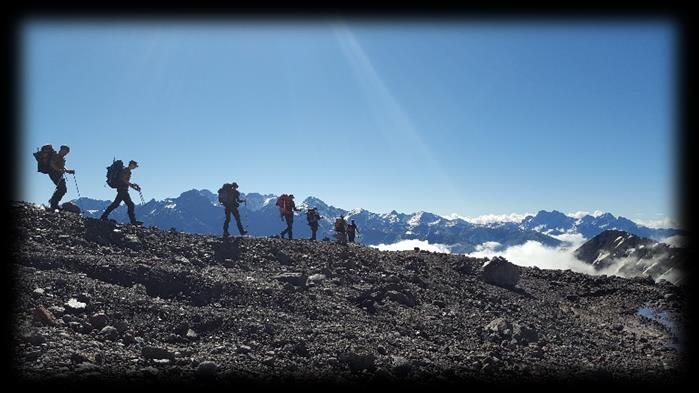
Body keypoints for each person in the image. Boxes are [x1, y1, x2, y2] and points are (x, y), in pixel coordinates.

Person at [100, 160, 142, 225]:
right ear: (131, 164)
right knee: (119, 204)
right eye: (135, 166)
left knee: (127, 204)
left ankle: (133, 221)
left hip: (123, 190)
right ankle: (133, 221)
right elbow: (122, 179)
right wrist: (132, 185)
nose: (135, 167)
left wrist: (134, 187)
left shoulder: (127, 171)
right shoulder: (126, 170)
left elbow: (126, 182)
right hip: (122, 190)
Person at [47, 145, 75, 210]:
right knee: (62, 189)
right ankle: (53, 204)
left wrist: (68, 171)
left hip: (58, 174)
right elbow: (52, 163)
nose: (65, 154)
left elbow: (62, 167)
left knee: (62, 189)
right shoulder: (56, 155)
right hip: (54, 174)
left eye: (66, 153)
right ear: (61, 150)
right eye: (65, 152)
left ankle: (53, 203)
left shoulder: (61, 158)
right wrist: (58, 170)